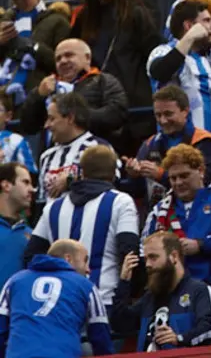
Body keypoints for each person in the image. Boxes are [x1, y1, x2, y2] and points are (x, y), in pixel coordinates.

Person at [28, 145, 138, 308]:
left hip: (60, 301)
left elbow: (31, 255)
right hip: (104, 299)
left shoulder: (53, 207)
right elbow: (129, 250)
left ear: (82, 172)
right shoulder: (121, 202)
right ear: (114, 173)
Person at [140, 144, 211, 290]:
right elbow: (144, 248)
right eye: (173, 178)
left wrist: (201, 245)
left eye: (184, 176)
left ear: (201, 171)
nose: (178, 182)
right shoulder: (160, 210)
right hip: (174, 292)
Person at [70, 0, 161, 110]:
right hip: (96, 99)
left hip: (133, 98)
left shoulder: (135, 13)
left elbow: (153, 49)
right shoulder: (83, 18)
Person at [0, 239, 112, 358]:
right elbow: (101, 336)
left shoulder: (14, 281)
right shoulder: (86, 286)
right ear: (68, 258)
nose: (88, 269)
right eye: (85, 261)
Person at [110, 231, 211, 351]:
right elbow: (119, 324)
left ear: (174, 256)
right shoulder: (150, 298)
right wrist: (124, 282)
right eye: (145, 259)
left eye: (153, 257)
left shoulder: (199, 290)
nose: (147, 264)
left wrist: (179, 339)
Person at [148, 2, 211, 138]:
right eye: (207, 21)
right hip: (180, 148)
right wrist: (189, 37)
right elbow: (160, 72)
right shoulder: (164, 51)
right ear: (189, 26)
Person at [17, 38, 128, 144]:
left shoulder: (104, 81)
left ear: (87, 58)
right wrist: (38, 95)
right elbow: (28, 126)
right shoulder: (47, 89)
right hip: (54, 156)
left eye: (69, 55)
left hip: (94, 151)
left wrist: (75, 117)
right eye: (58, 59)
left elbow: (117, 113)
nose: (63, 61)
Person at [128, 86, 211, 203]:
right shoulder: (149, 144)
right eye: (158, 115)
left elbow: (207, 182)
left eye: (168, 114)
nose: (163, 120)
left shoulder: (205, 142)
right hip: (160, 216)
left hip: (199, 212)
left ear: (185, 111)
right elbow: (137, 192)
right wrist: (134, 175)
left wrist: (161, 175)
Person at [1, 0, 70, 100]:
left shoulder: (57, 21)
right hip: (4, 97)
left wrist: (34, 47)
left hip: (38, 94)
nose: (18, 1)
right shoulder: (5, 22)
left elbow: (62, 64)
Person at [32, 94, 113, 206]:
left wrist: (72, 180)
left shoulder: (98, 148)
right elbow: (41, 202)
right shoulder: (46, 156)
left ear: (70, 118)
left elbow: (111, 179)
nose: (47, 125)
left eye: (52, 119)